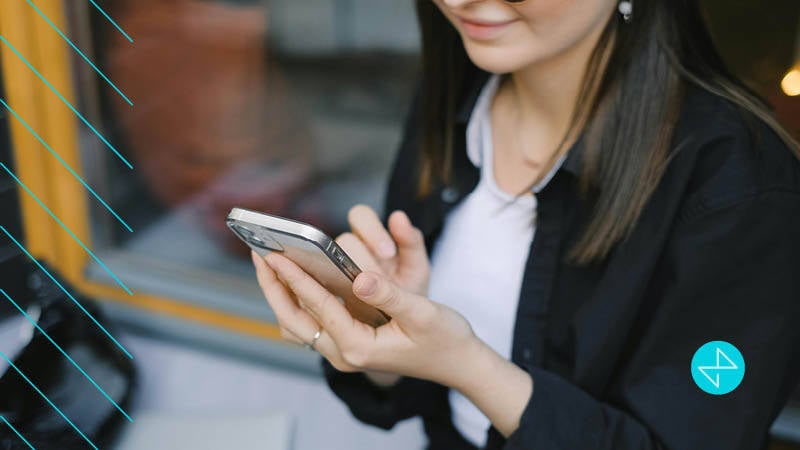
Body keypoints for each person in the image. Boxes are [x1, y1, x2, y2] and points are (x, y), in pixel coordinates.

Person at [250, 0, 800, 448]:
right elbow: (409, 400)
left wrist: (470, 366)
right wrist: (376, 334)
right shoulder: (461, 91)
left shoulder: (738, 187)